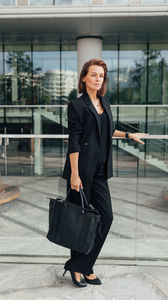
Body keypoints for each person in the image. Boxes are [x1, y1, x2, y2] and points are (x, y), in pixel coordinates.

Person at [62, 58, 149, 287]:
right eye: (93, 74)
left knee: (106, 217)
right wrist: (74, 174)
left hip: (100, 172)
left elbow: (109, 131)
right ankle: (81, 268)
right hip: (80, 172)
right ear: (84, 78)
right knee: (79, 222)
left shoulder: (105, 102)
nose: (98, 79)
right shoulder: (77, 106)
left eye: (101, 75)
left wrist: (130, 135)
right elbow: (74, 142)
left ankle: (81, 265)